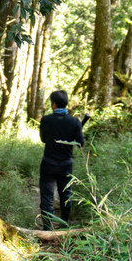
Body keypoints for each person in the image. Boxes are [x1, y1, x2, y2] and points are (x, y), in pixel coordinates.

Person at [39, 90, 85, 229]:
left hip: (48, 163)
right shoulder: (75, 121)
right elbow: (80, 143)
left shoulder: (46, 120)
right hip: (66, 164)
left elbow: (43, 139)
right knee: (66, 194)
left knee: (47, 196)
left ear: (53, 104)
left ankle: (47, 227)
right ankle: (64, 224)